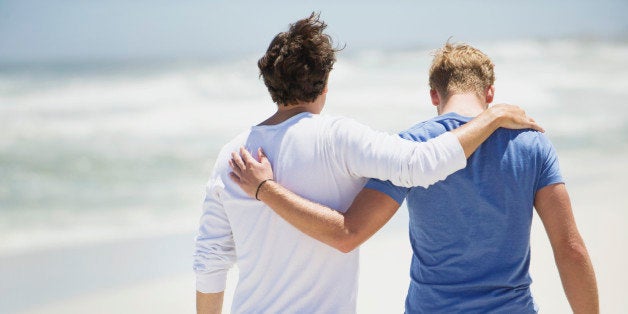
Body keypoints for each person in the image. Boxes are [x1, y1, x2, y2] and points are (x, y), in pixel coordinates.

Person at [195, 12, 541, 313]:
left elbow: (210, 260)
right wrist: (492, 117)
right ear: (326, 82)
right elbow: (423, 164)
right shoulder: (339, 137)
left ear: (270, 84)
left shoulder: (232, 155)